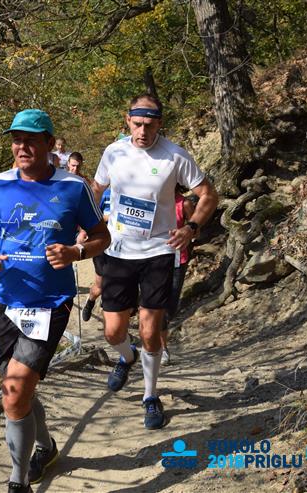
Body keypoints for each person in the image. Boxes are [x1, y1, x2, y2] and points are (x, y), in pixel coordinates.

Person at [0, 109, 109, 493]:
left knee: (14, 393)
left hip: (49, 303)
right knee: (16, 391)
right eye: (16, 140)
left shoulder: (73, 187)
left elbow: (102, 236)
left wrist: (76, 253)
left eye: (31, 140)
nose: (22, 147)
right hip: (4, 300)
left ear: (49, 143)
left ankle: (18, 482)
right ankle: (46, 447)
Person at [91, 94, 218, 430]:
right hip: (118, 250)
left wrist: (191, 228)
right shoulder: (113, 152)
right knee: (113, 332)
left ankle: (150, 396)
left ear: (160, 123)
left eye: (149, 125)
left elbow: (208, 194)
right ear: (127, 120)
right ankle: (127, 356)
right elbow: (95, 189)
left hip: (158, 252)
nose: (143, 131)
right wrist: (87, 224)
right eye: (137, 124)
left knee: (150, 331)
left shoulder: (175, 155)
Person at [160, 187, 195, 365]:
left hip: (177, 260)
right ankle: (161, 348)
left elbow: (196, 229)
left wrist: (185, 235)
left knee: (170, 307)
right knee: (156, 304)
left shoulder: (185, 203)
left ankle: (158, 341)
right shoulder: (152, 199)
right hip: (153, 259)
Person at [81, 187, 111, 322]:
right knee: (99, 286)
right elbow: (93, 216)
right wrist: (112, 217)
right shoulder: (105, 194)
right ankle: (90, 301)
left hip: (123, 249)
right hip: (103, 246)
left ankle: (109, 314)